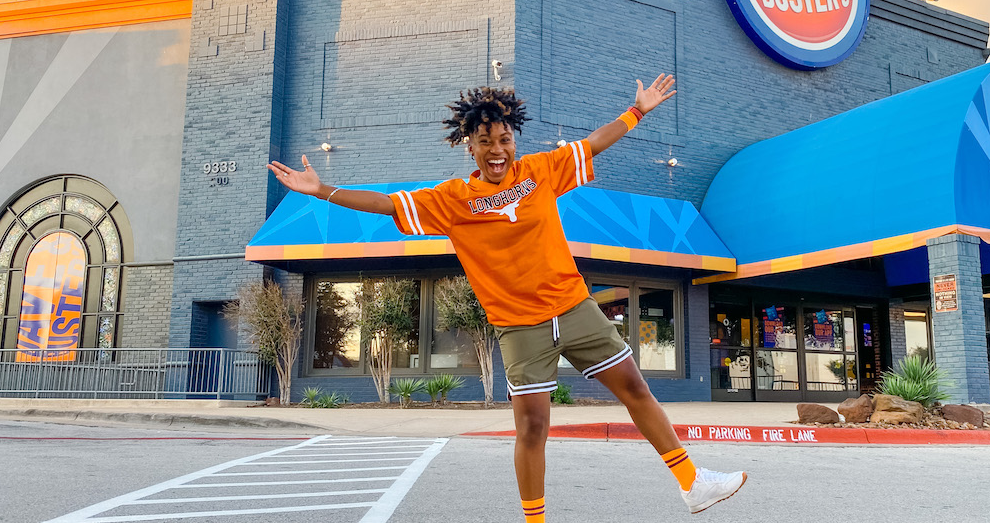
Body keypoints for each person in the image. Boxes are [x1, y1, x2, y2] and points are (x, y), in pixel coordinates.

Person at [268, 74, 747, 520]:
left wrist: (636, 112)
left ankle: (692, 481)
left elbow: (593, 144)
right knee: (533, 428)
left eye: (504, 140)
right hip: (520, 328)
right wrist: (323, 190)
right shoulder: (452, 200)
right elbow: (387, 204)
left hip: (574, 308)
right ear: (469, 147)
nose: (497, 151)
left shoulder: (540, 171)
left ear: (513, 141)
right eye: (485, 142)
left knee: (636, 388)